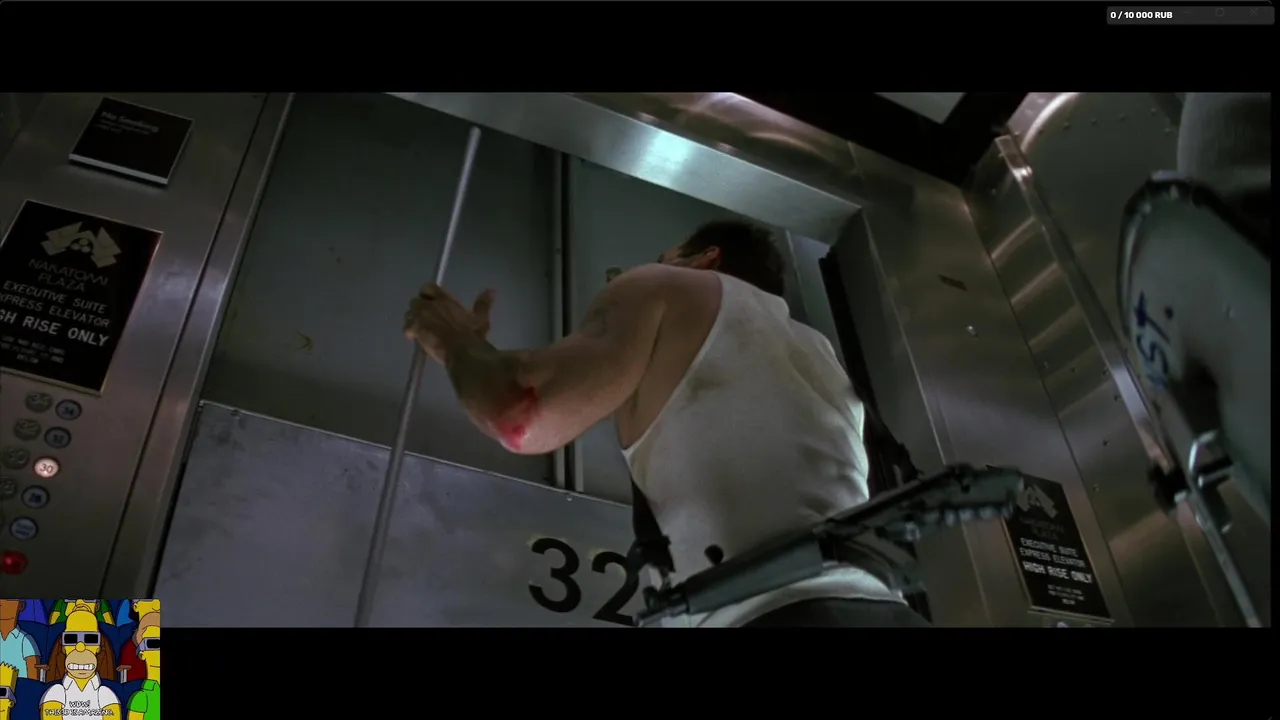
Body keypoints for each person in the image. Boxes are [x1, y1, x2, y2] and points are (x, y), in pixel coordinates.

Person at [403, 219, 930, 628]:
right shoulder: (821, 355)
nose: (653, 267)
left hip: (768, 616)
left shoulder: (669, 288)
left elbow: (520, 414)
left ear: (706, 259)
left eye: (664, 259)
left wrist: (453, 339)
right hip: (888, 612)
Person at [39, 610, 120, 717]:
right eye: (71, 638)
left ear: (99, 647)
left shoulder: (106, 695)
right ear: (63, 647)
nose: (80, 647)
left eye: (90, 639)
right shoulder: (55, 693)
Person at [0, 601, 38, 680]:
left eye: (8, 600)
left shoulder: (26, 640)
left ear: (21, 606)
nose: (1, 603)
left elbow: (33, 679)